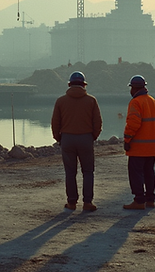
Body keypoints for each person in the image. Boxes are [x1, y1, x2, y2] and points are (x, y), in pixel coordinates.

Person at [51, 71, 103, 212]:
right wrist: (92, 137)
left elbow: (55, 123)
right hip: (85, 138)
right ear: (84, 85)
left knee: (70, 172)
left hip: (67, 139)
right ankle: (87, 203)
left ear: (69, 84)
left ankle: (72, 203)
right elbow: (97, 123)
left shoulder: (61, 101)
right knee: (88, 172)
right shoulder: (91, 101)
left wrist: (59, 138)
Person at [122, 75, 155, 210]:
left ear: (134, 88)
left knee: (136, 173)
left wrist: (127, 139)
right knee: (149, 172)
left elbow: (133, 123)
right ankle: (150, 199)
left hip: (138, 147)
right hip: (151, 147)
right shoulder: (153, 101)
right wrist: (152, 137)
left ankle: (139, 200)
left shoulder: (136, 102)